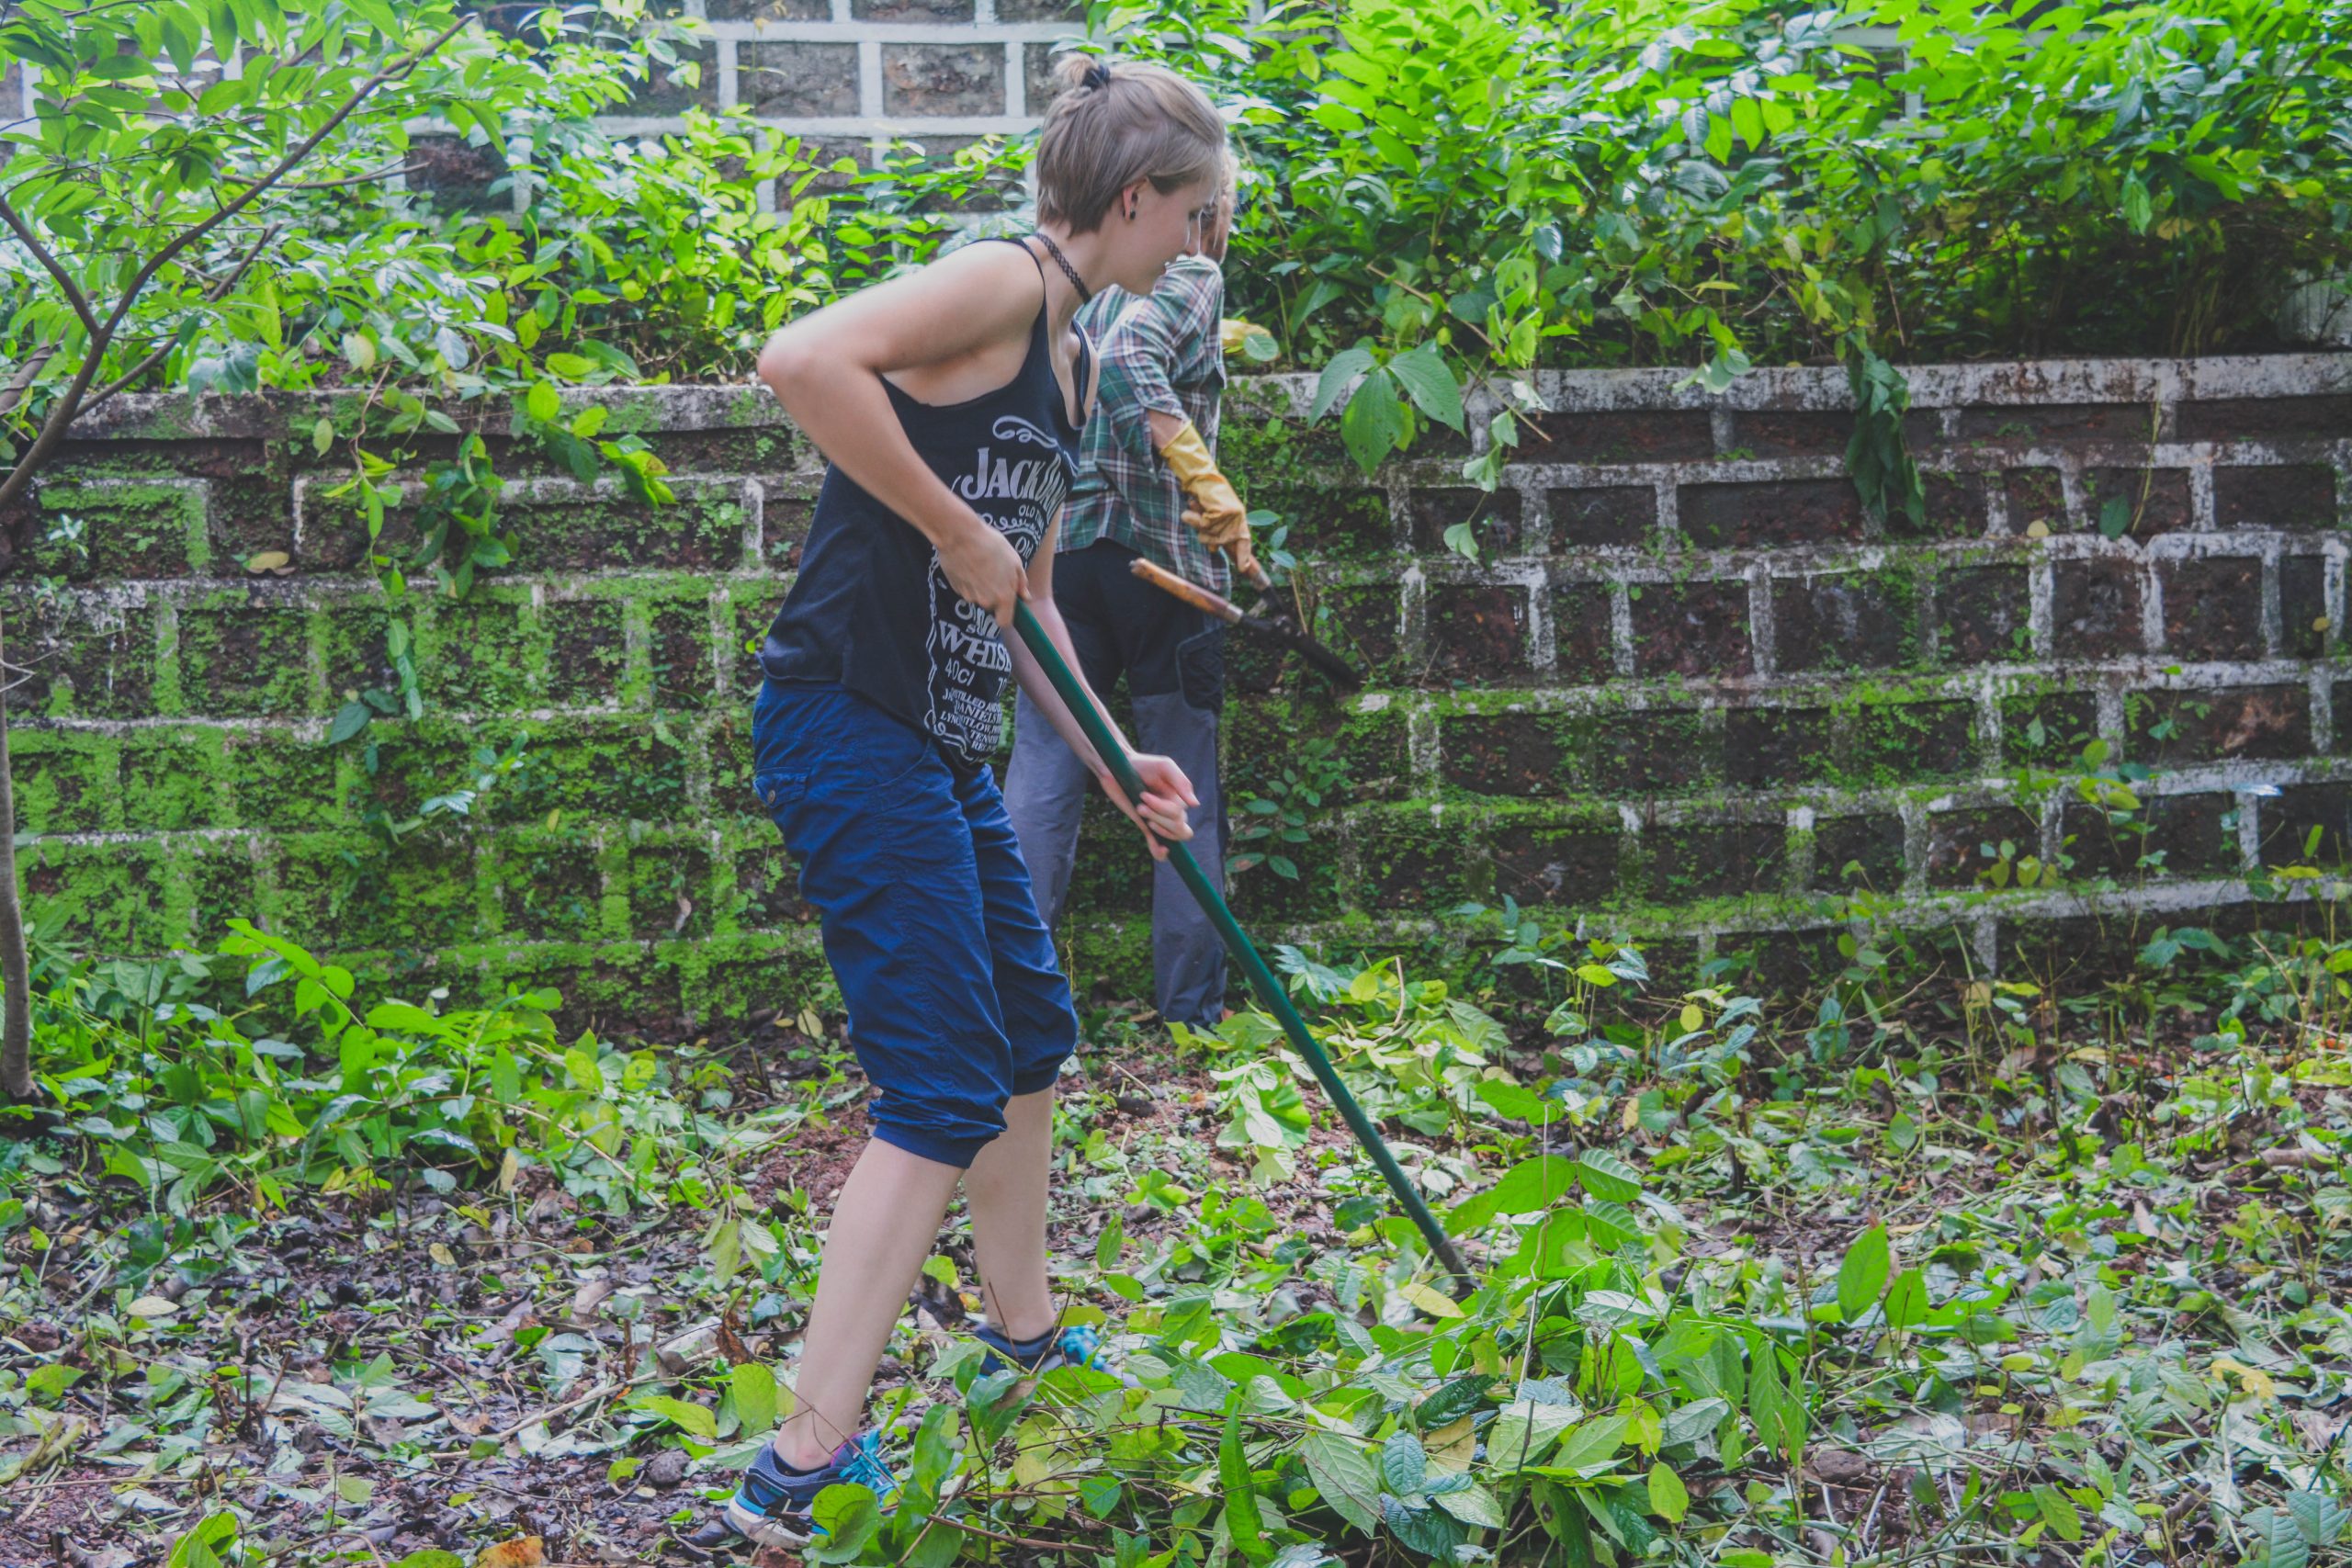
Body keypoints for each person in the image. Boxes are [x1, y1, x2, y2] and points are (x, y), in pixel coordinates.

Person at [693, 53, 1229, 1553]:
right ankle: (800, 1461)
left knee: (1029, 1027)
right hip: (846, 722)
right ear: (1136, 199)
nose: (1201, 247)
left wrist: (1115, 758)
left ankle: (1021, 1336)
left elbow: (1030, 601)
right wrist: (949, 527)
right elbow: (800, 359)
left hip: (935, 739)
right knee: (938, 1083)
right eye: (1197, 217)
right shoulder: (1002, 283)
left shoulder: (1073, 361)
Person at [1002, 166, 1256, 1031]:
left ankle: (1011, 1008)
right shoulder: (1191, 271)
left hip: (1062, 561)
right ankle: (1191, 1020)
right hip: (1165, 568)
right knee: (1181, 791)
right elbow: (1130, 359)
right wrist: (1200, 471)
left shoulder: (1084, 282)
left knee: (1043, 772)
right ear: (1205, 212)